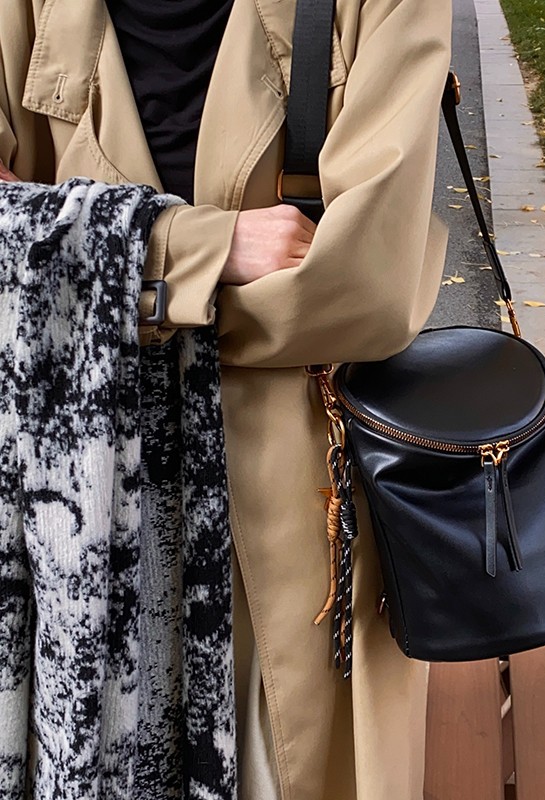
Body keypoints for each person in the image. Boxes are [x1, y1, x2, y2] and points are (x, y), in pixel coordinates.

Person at [0, 1, 452, 798]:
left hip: (295, 517)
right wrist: (203, 251)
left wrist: (95, 292)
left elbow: (365, 282)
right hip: (70, 518)